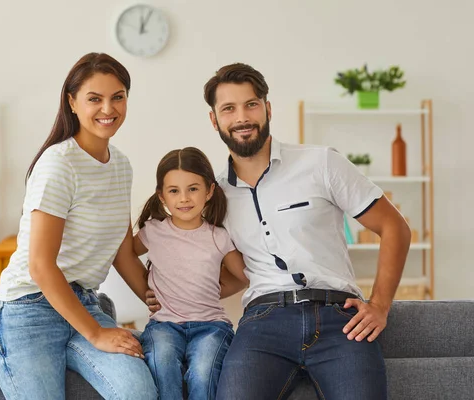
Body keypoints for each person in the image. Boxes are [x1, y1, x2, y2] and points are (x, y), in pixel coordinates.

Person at [148, 63, 411, 399]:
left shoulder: (321, 163)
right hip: (263, 322)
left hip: (338, 318)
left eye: (251, 104)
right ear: (214, 120)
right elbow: (227, 267)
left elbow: (394, 228)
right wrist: (175, 293)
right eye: (228, 108)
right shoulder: (211, 193)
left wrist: (380, 305)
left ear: (267, 108)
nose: (242, 117)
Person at [0, 52, 157, 400]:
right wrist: (95, 333)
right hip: (28, 312)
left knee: (138, 392)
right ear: (72, 102)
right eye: (95, 98)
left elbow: (123, 253)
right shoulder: (58, 164)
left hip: (85, 303)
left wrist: (166, 304)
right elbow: (40, 265)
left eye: (118, 97)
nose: (108, 109)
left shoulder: (120, 166)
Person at [133, 147, 248, 400]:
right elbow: (124, 253)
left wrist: (214, 287)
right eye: (174, 191)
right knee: (162, 363)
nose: (184, 198)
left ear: (209, 191)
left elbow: (244, 275)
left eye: (193, 189)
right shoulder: (153, 231)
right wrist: (145, 289)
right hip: (164, 325)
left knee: (204, 370)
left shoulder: (219, 236)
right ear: (162, 196)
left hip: (211, 327)